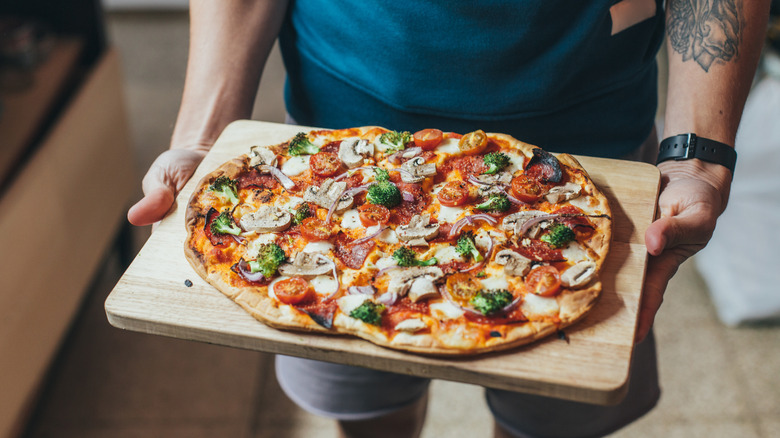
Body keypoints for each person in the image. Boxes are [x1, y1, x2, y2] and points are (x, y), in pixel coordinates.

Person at [127, 1, 771, 437]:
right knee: (369, 415)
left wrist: (700, 158)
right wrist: (207, 138)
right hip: (319, 169)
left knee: (548, 424)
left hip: (590, 150)